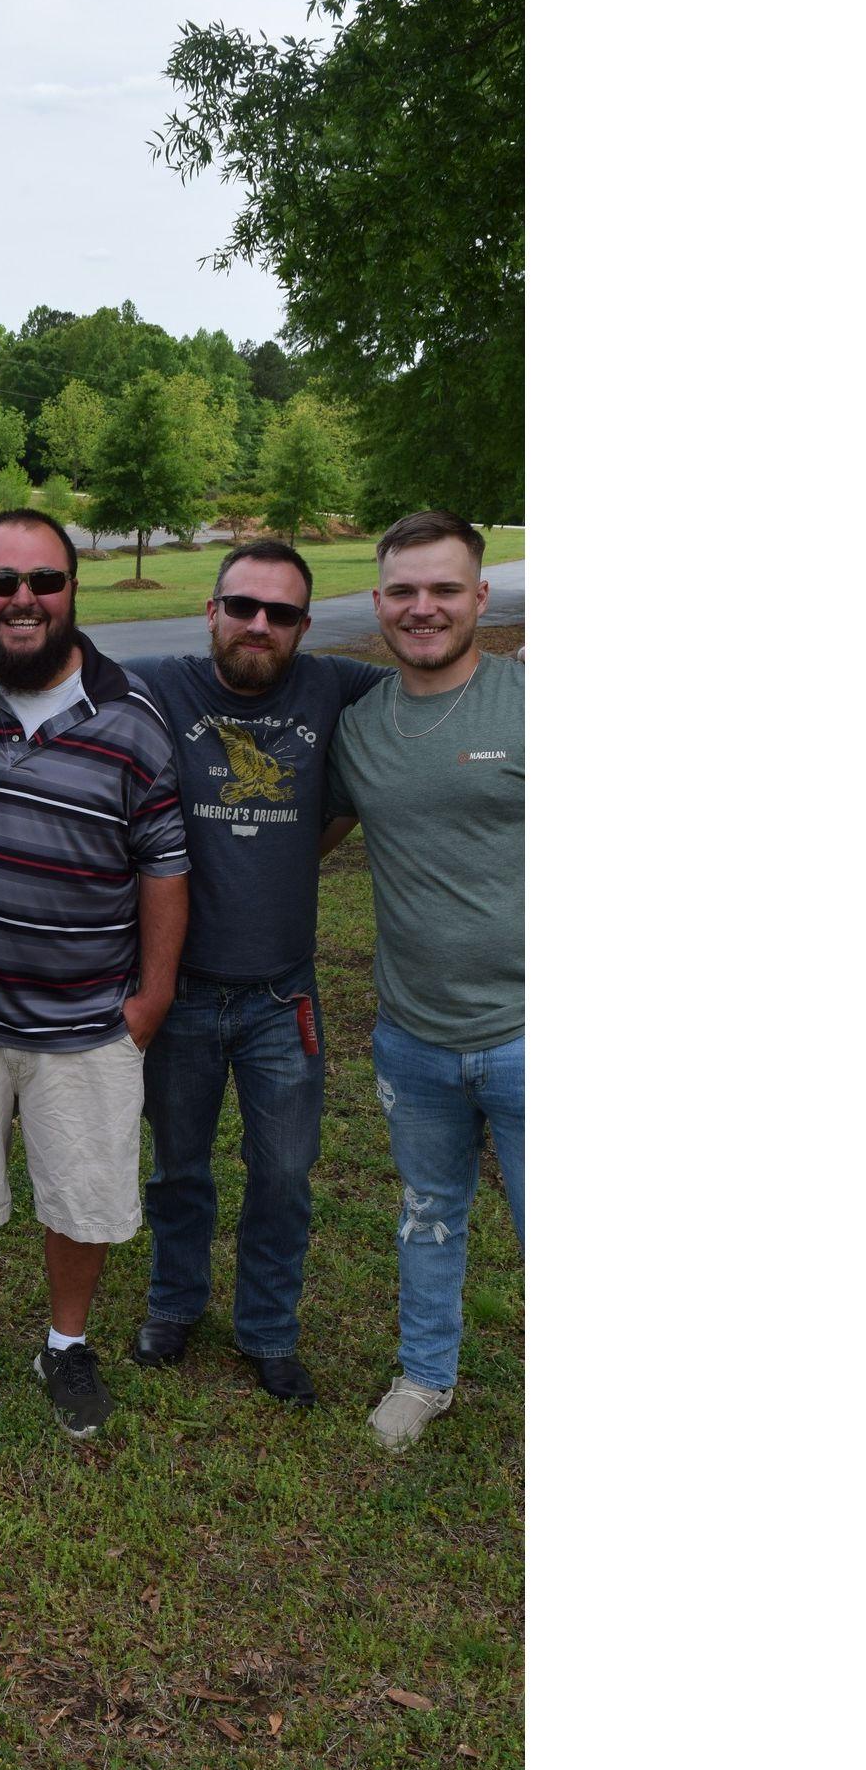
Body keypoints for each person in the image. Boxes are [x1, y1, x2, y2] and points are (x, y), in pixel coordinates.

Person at [0, 510, 189, 1438]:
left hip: (86, 1014)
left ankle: (66, 1342)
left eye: (44, 582)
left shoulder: (132, 717)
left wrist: (154, 996)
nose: (24, 601)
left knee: (82, 1189)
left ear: (74, 589)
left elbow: (163, 864)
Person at [123, 541, 387, 1406]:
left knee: (282, 1173)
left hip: (285, 995)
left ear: (305, 627)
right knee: (178, 1168)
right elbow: (37, 658)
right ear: (211, 610)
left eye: (280, 613)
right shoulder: (157, 681)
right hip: (182, 985)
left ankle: (269, 1330)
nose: (258, 625)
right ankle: (174, 1303)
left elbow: (443, 692)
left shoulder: (336, 688)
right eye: (242, 606)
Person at [320, 510, 524, 1451]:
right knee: (429, 1216)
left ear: (481, 597)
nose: (424, 608)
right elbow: (305, 840)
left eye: (446, 589)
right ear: (378, 602)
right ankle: (425, 1377)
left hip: (534, 1030)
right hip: (413, 1033)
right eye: (404, 590)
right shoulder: (358, 728)